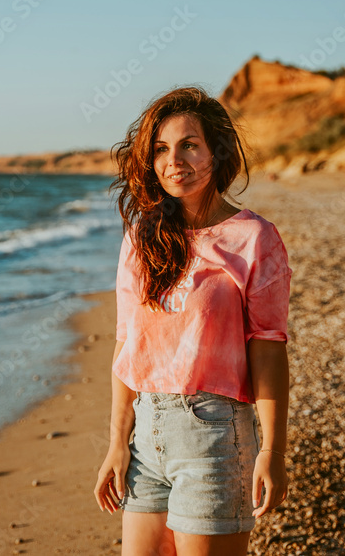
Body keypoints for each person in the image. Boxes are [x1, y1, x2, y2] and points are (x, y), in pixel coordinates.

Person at [93, 86, 293, 556]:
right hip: (147, 434)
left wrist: (273, 452)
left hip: (215, 437)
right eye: (161, 148)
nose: (174, 160)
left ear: (215, 151)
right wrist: (116, 444)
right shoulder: (142, 236)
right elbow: (127, 345)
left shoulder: (253, 238)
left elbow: (268, 347)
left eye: (189, 145)